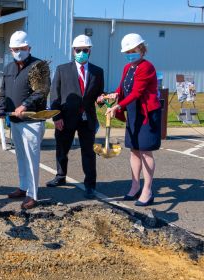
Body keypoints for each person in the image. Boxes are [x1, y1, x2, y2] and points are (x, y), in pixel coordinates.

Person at [104, 33, 161, 206]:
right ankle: (135, 186)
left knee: (145, 151)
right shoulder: (128, 68)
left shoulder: (146, 67)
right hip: (134, 112)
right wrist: (115, 94)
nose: (130, 54)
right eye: (127, 51)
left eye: (132, 50)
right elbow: (124, 87)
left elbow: (137, 92)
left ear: (141, 49)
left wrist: (118, 106)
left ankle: (147, 190)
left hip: (146, 114)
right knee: (134, 150)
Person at [48, 35, 104, 199]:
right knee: (62, 149)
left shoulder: (97, 72)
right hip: (65, 118)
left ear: (90, 51)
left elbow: (99, 93)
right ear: (73, 51)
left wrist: (102, 99)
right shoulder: (62, 69)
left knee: (88, 152)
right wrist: (56, 116)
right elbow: (54, 95)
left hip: (88, 119)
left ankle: (90, 185)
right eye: (78, 50)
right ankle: (60, 176)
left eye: (84, 50)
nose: (81, 53)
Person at [0, 31, 50, 210]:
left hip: (32, 121)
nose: (18, 52)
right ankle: (23, 186)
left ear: (29, 48)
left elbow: (41, 91)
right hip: (15, 121)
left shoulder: (39, 66)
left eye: (21, 48)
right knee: (20, 156)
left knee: (31, 158)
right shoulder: (8, 68)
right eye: (14, 49)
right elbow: (4, 91)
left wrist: (25, 105)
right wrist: (2, 108)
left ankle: (32, 194)